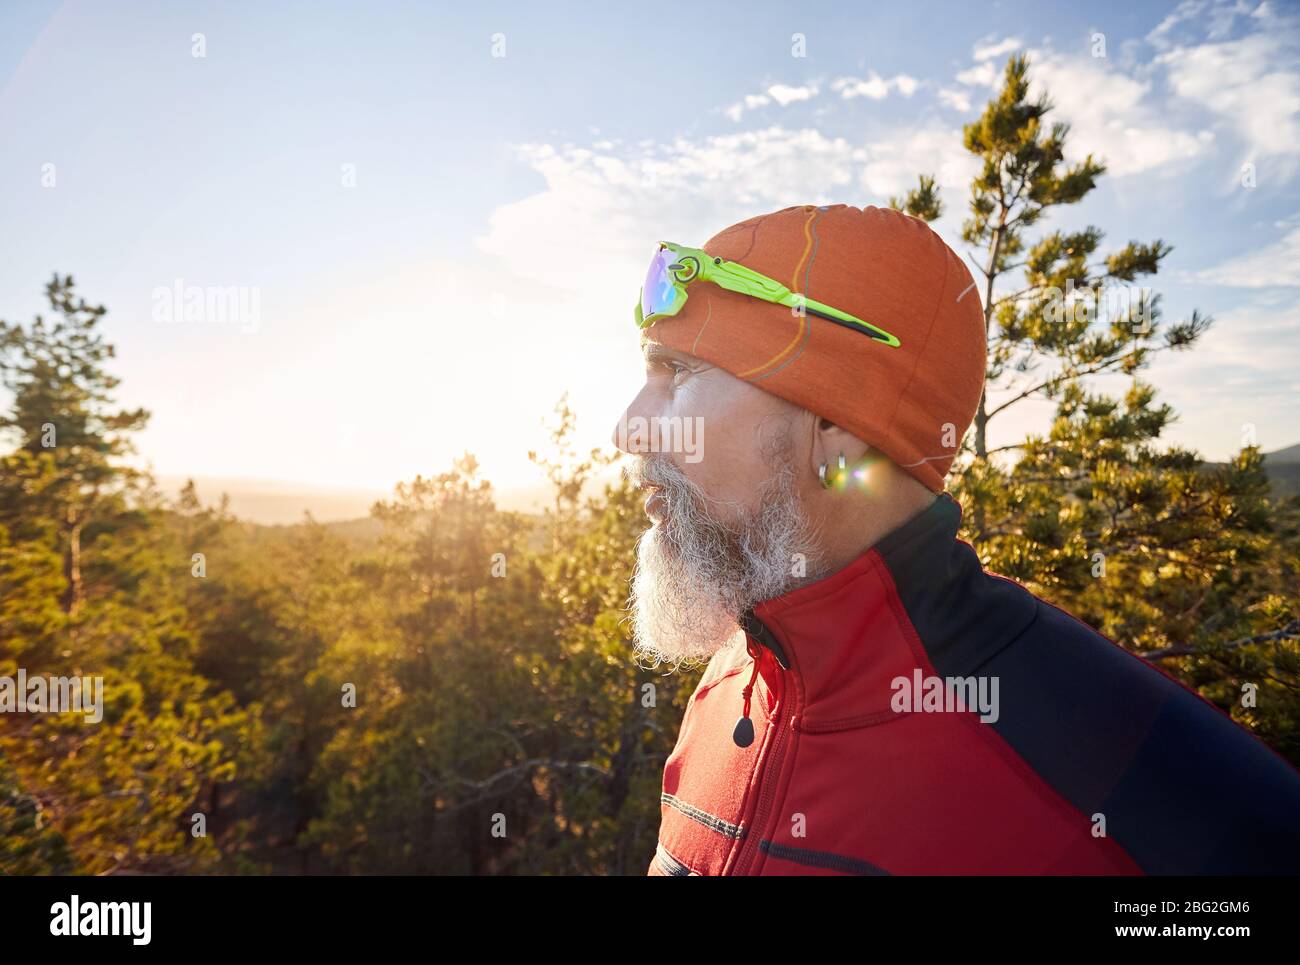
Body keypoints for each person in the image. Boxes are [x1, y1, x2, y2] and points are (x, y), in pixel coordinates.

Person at [610, 203, 1300, 875]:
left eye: (679, 373)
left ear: (834, 424)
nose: (629, 429)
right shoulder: (732, 683)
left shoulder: (1132, 773)